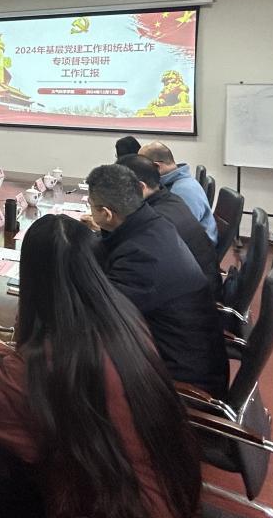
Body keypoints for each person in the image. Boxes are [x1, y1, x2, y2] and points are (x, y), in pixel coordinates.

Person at [0, 214, 201, 518]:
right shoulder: (123, 318)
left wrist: (0, 349)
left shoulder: (40, 368)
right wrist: (15, 337)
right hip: (170, 505)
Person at [85, 164, 228, 397]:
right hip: (184, 354)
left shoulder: (140, 258)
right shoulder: (153, 224)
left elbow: (99, 320)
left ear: (106, 213)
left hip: (182, 383)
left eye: (90, 205)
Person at [117, 153, 220, 294]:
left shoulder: (158, 219)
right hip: (198, 280)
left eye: (118, 189)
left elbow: (138, 262)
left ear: (141, 187)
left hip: (194, 294)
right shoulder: (170, 198)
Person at [139, 142, 217, 244]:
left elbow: (174, 232)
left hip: (198, 248)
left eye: (143, 168)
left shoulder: (183, 191)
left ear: (157, 167)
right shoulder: (174, 183)